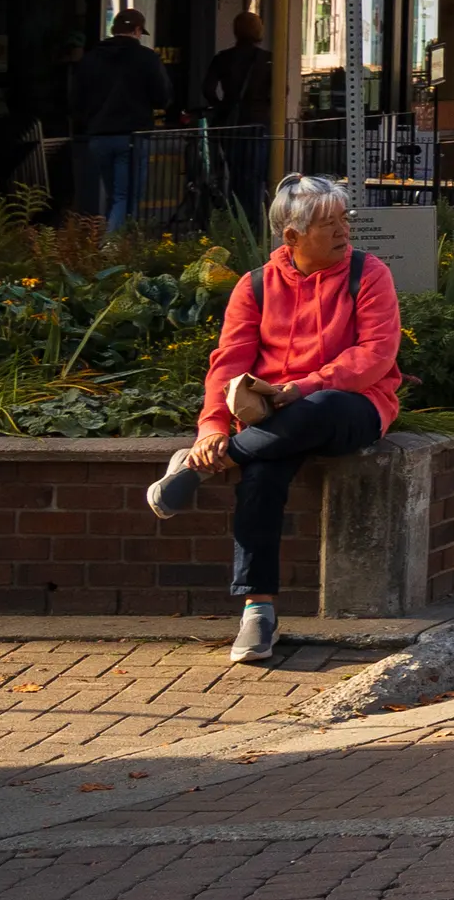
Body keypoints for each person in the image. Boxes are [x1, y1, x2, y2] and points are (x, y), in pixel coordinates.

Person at [144, 175, 402, 664]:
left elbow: (375, 354)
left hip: (352, 405)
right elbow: (228, 364)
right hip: (271, 420)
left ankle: (201, 468)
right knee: (260, 477)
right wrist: (213, 429)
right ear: (292, 237)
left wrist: (302, 387)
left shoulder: (369, 273)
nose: (344, 230)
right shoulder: (255, 285)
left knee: (319, 408)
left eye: (344, 219)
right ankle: (257, 610)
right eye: (330, 224)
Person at [71, 9, 176, 233]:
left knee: (114, 195)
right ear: (137, 30)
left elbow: (76, 98)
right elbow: (162, 97)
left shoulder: (91, 58)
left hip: (98, 136)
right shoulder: (147, 58)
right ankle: (114, 250)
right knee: (126, 197)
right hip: (132, 136)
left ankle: (112, 241)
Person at [200, 9, 273, 227]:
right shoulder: (267, 60)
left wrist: (223, 106)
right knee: (255, 175)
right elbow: (280, 92)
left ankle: (233, 218)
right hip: (258, 124)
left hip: (230, 124)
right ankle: (253, 222)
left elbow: (208, 88)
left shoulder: (223, 58)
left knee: (232, 174)